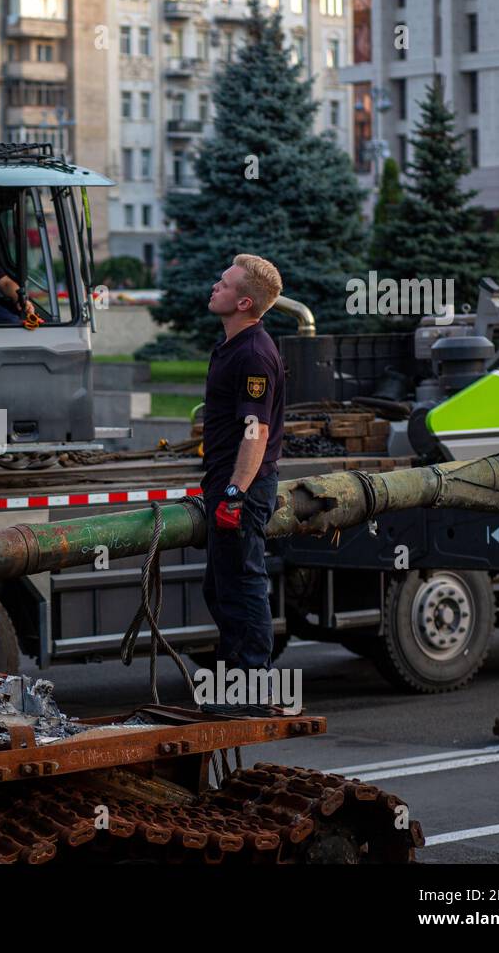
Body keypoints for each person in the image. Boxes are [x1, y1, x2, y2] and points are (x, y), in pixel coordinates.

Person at [200, 254, 286, 680]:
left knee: (243, 587)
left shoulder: (253, 355)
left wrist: (234, 495)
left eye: (225, 283)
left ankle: (252, 684)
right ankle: (235, 680)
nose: (216, 286)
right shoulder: (232, 346)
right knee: (220, 590)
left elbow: (257, 433)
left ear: (244, 303)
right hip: (225, 485)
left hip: (242, 492)